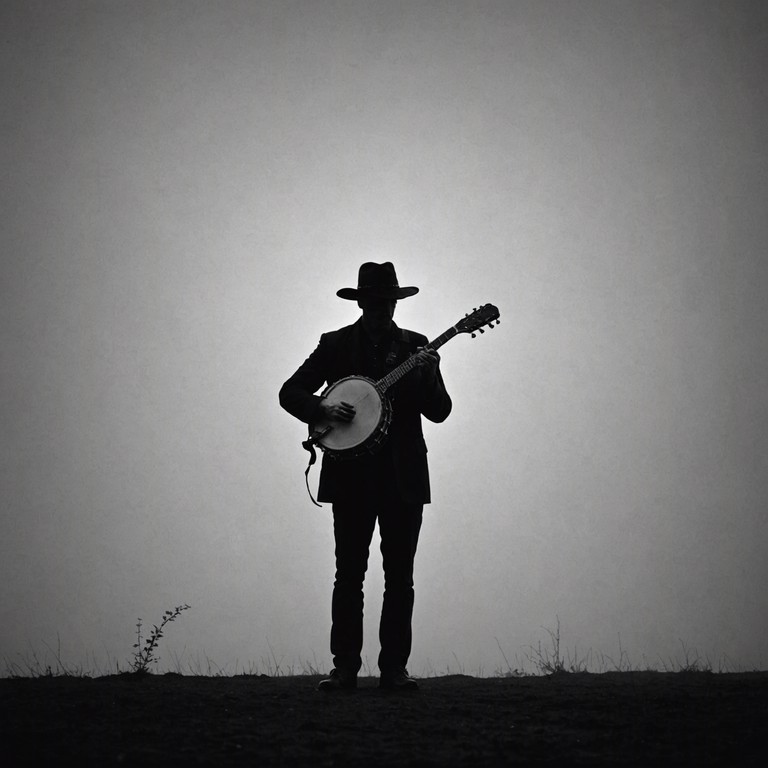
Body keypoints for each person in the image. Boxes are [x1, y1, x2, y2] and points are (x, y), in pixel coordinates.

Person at [279, 262, 452, 691]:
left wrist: (429, 377)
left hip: (403, 477)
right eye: (375, 303)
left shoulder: (417, 347)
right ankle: (345, 670)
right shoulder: (335, 345)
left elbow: (441, 411)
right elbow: (290, 391)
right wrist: (320, 408)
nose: (382, 310)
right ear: (362, 304)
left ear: (396, 303)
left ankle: (394, 670)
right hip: (352, 478)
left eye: (388, 303)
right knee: (349, 574)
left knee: (400, 576)